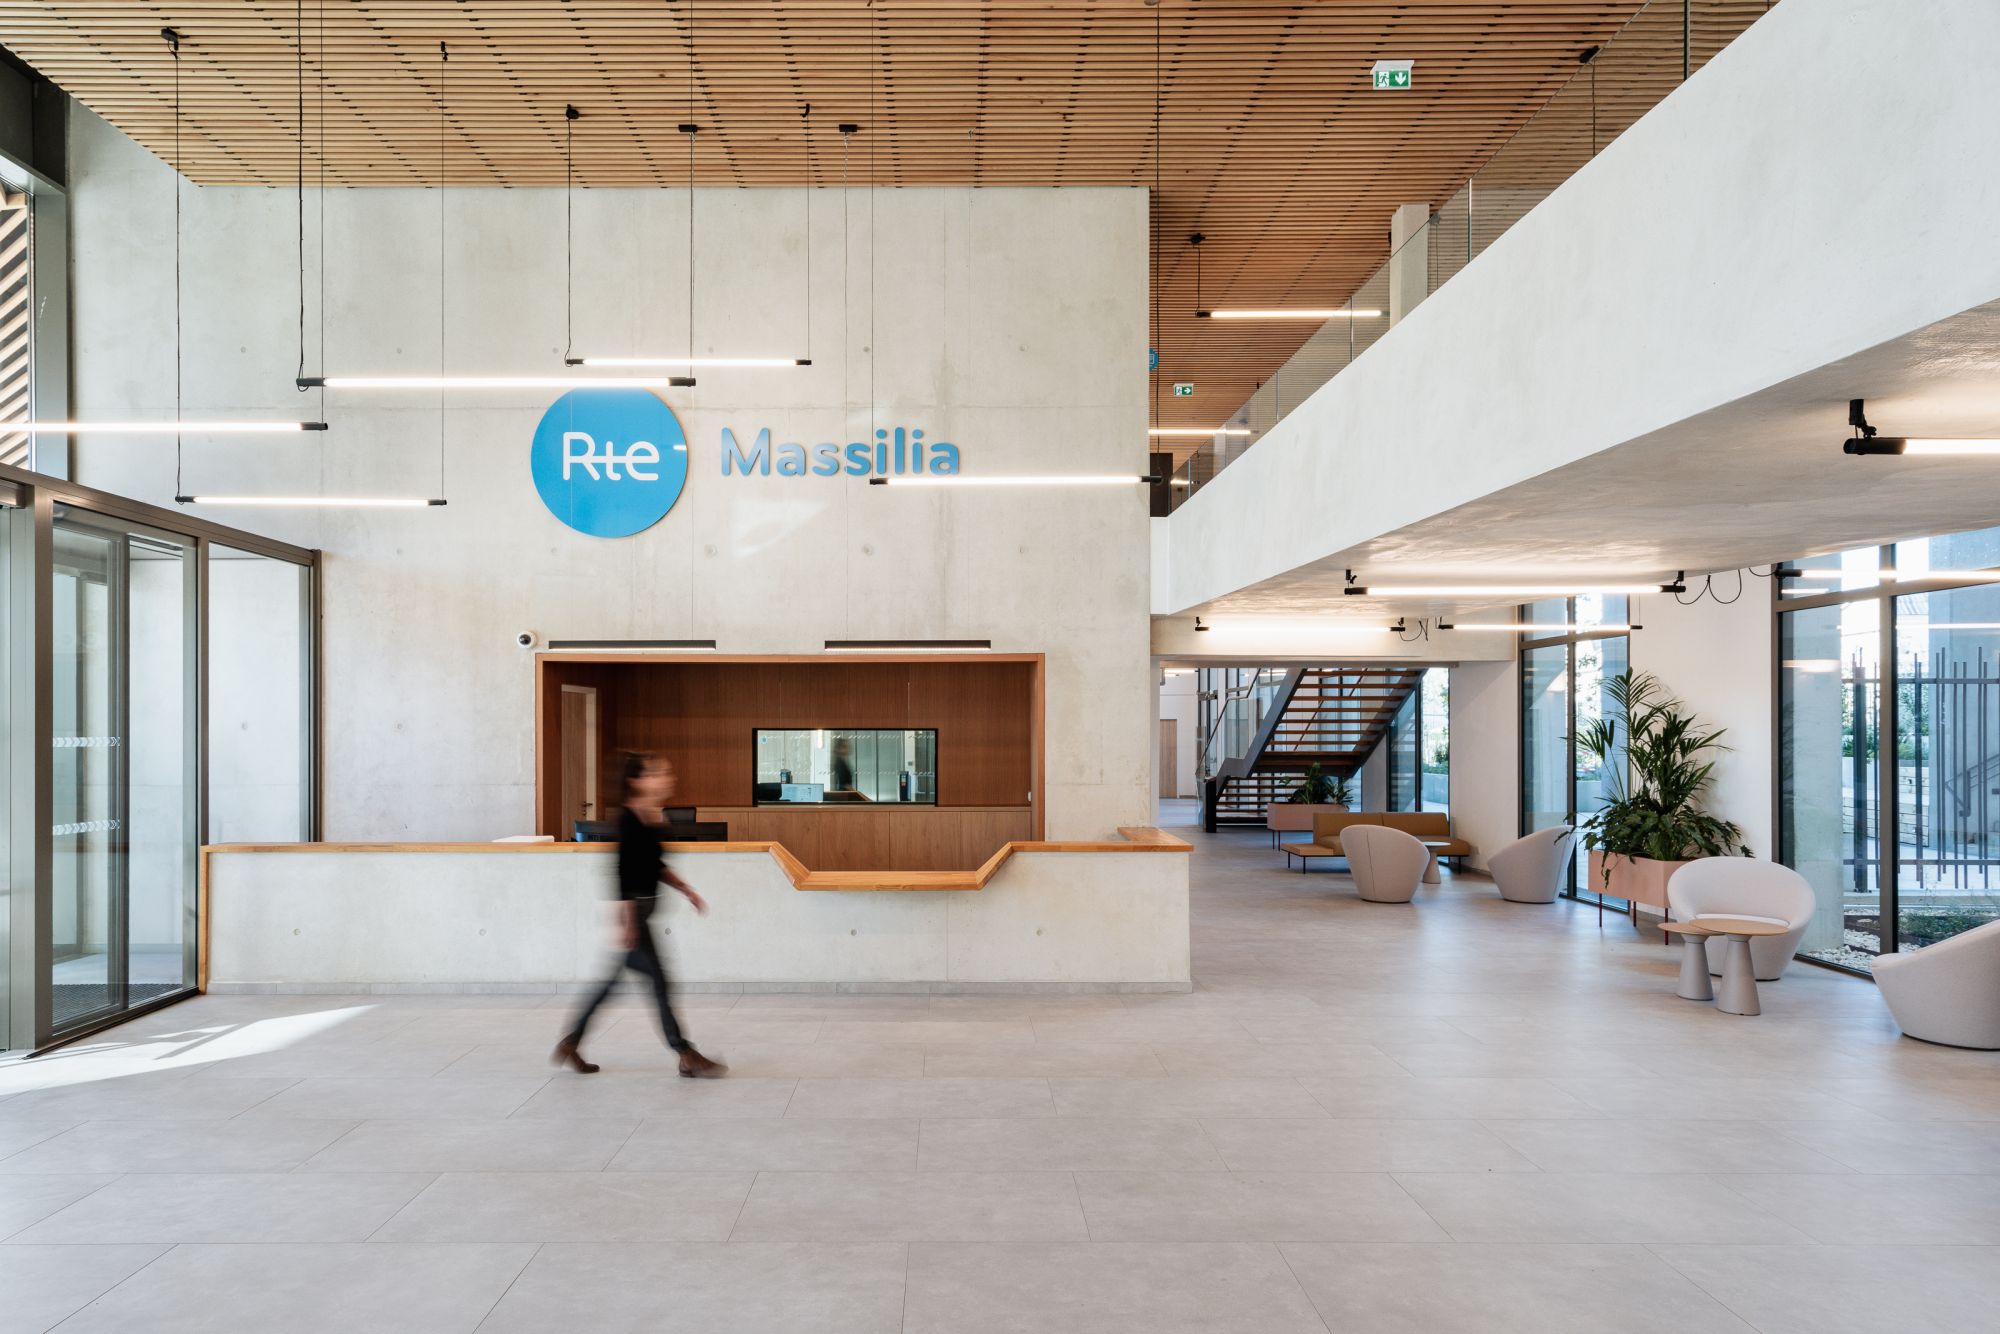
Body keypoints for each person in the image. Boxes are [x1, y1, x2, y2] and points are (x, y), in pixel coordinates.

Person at [554, 751, 724, 1077]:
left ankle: (571, 1042)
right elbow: (622, 874)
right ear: (636, 781)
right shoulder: (628, 820)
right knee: (659, 983)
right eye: (657, 773)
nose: (667, 778)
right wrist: (628, 923)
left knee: (611, 985)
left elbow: (654, 865)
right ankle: (685, 1053)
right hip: (633, 916)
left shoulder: (650, 817)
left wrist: (685, 889)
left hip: (641, 915)